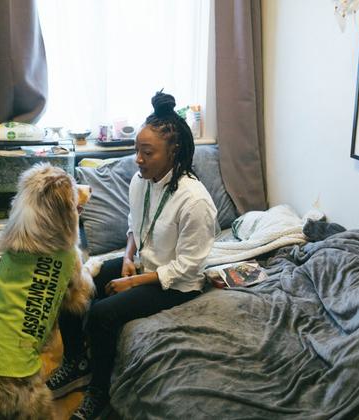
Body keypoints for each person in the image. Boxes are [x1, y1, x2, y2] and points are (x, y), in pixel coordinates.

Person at [48, 91, 218, 419]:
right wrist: (128, 258)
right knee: (73, 281)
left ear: (173, 152)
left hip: (176, 284)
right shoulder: (141, 181)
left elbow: (188, 266)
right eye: (137, 149)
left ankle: (99, 389)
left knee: (102, 313)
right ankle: (75, 362)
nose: (138, 159)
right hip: (141, 265)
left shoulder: (195, 201)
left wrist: (135, 283)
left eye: (147, 152)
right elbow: (133, 226)